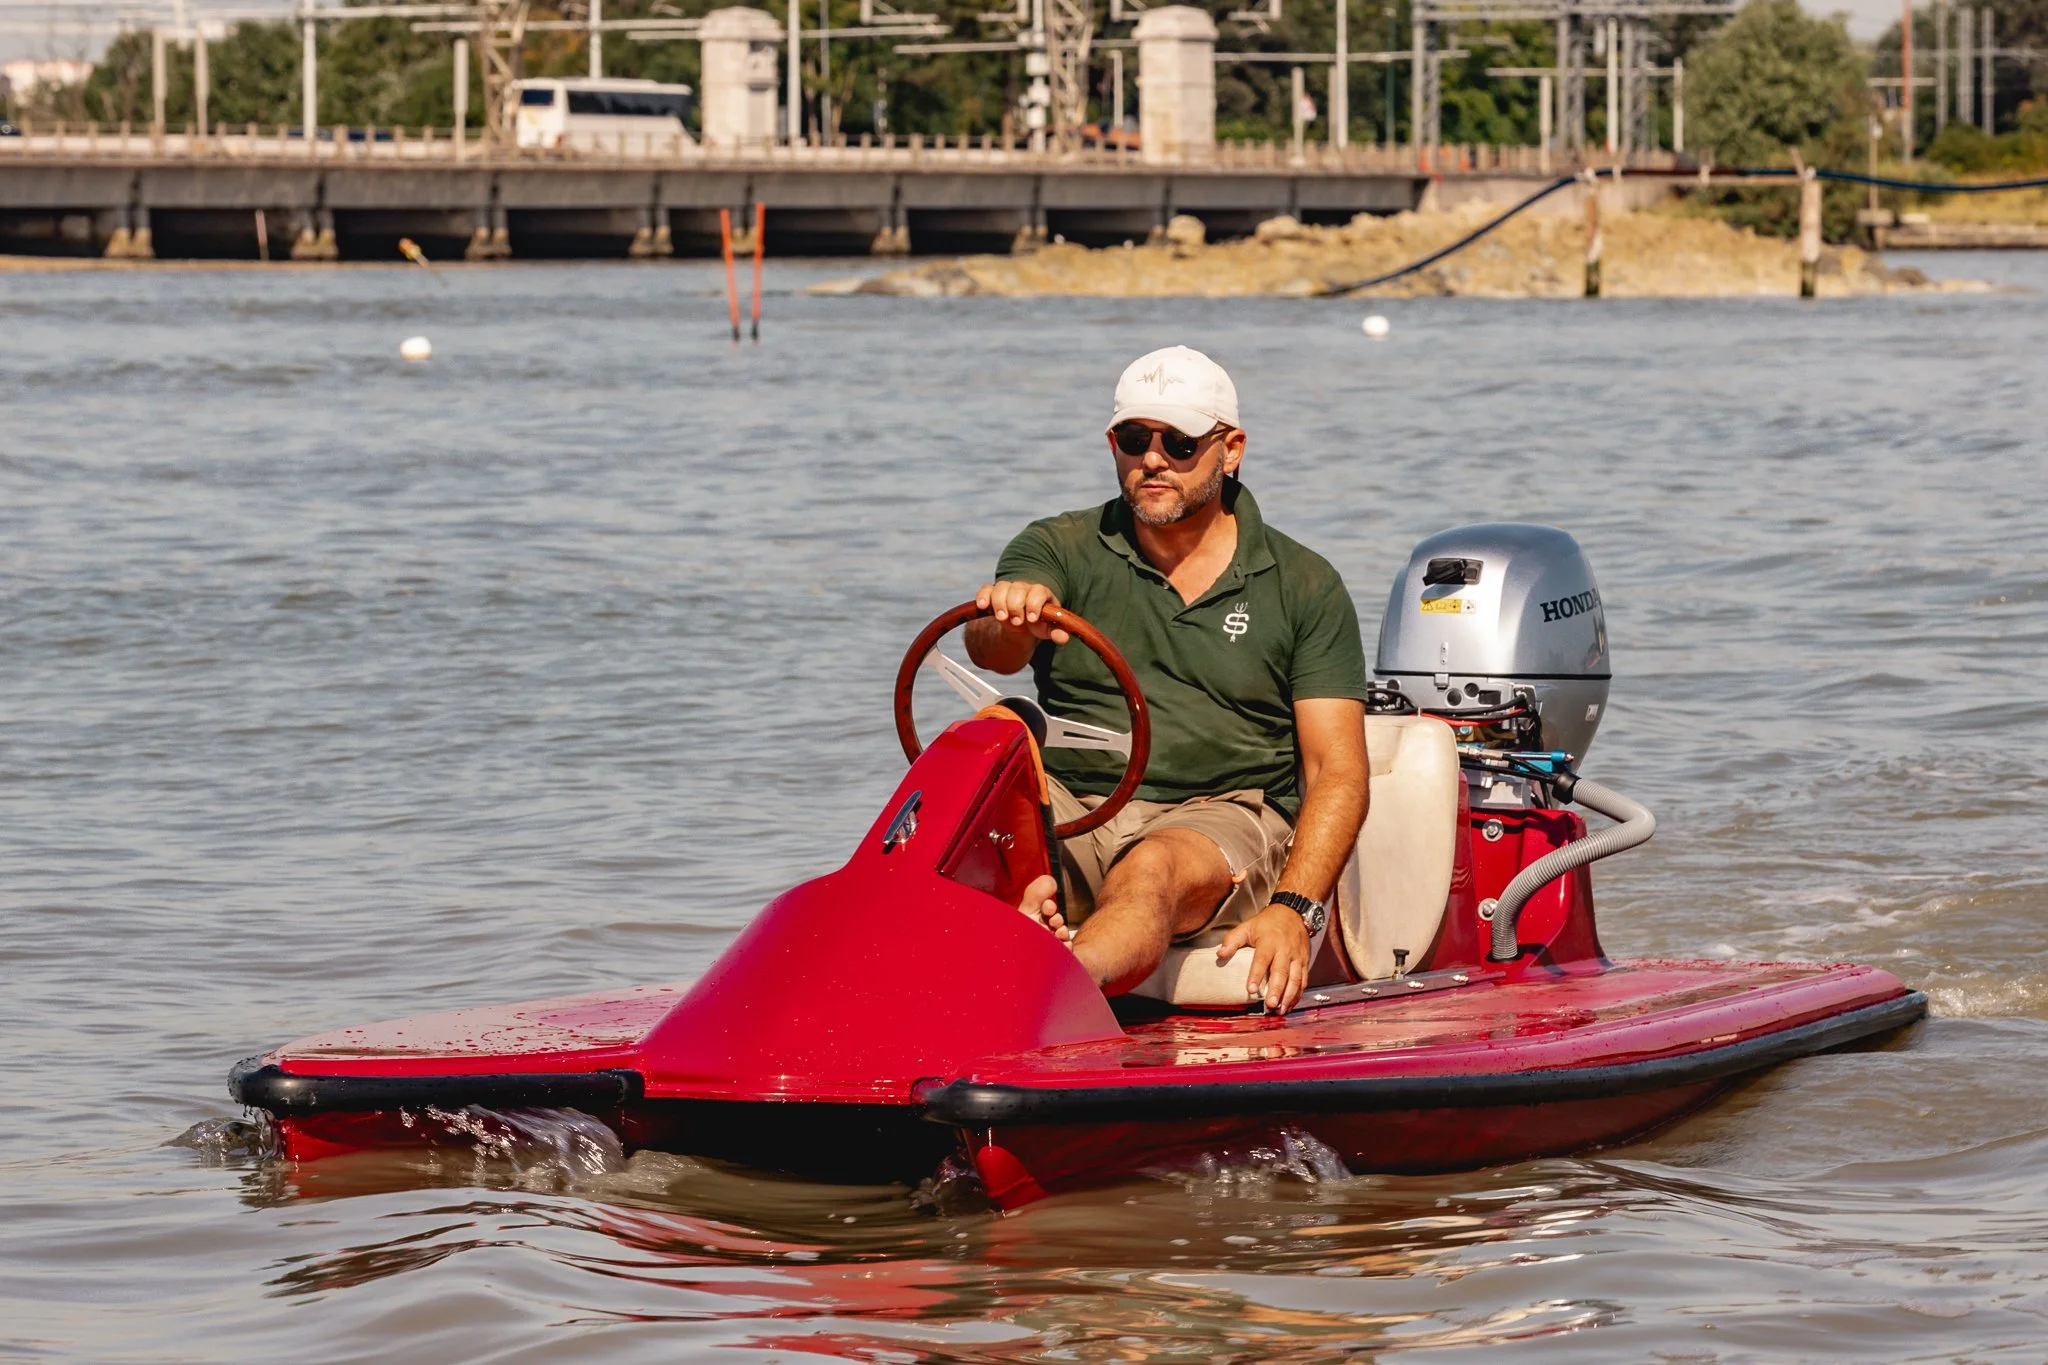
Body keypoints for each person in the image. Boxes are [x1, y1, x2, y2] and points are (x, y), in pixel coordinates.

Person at [967, 345, 1370, 1015]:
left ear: (1230, 448)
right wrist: (1011, 615)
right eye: (1134, 438)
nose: (1152, 458)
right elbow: (991, 652)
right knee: (979, 752)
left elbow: (1338, 772)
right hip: (1073, 802)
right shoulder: (1056, 547)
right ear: (1113, 444)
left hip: (1221, 816)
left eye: (1179, 441)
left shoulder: (1305, 584)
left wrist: (1296, 909)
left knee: (1149, 867)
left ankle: (1040, 994)